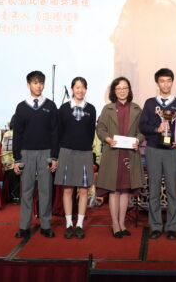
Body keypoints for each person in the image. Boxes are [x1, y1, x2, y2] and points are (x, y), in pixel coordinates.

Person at [139, 67, 176, 240]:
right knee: (153, 190)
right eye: (162, 81)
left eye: (168, 81)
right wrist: (157, 129)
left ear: (172, 82)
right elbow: (142, 126)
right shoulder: (149, 103)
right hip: (153, 149)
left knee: (172, 190)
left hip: (172, 151)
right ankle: (155, 226)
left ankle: (172, 226)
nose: (166, 84)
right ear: (157, 83)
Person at [96, 77, 144, 238]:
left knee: (125, 191)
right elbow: (100, 128)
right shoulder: (108, 108)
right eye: (119, 88)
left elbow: (142, 131)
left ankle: (122, 223)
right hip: (113, 153)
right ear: (114, 91)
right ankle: (115, 224)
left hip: (130, 154)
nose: (122, 91)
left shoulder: (137, 109)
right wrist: (107, 139)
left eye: (125, 88)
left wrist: (138, 140)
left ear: (129, 90)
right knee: (114, 191)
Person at [13, 70, 59, 239]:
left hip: (46, 153)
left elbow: (55, 133)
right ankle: (24, 226)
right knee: (26, 191)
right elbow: (17, 134)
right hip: (26, 153)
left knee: (45, 190)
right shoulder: (21, 107)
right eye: (35, 82)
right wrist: (17, 158)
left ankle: (46, 225)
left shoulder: (51, 106)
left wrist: (54, 156)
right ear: (28, 85)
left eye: (41, 83)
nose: (39, 86)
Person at [55, 77, 97, 239]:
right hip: (66, 152)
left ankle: (79, 224)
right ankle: (68, 224)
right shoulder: (63, 109)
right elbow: (59, 132)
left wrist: (84, 146)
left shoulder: (91, 109)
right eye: (77, 87)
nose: (80, 90)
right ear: (72, 89)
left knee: (84, 190)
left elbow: (91, 133)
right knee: (67, 190)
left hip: (85, 153)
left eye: (83, 87)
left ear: (86, 89)